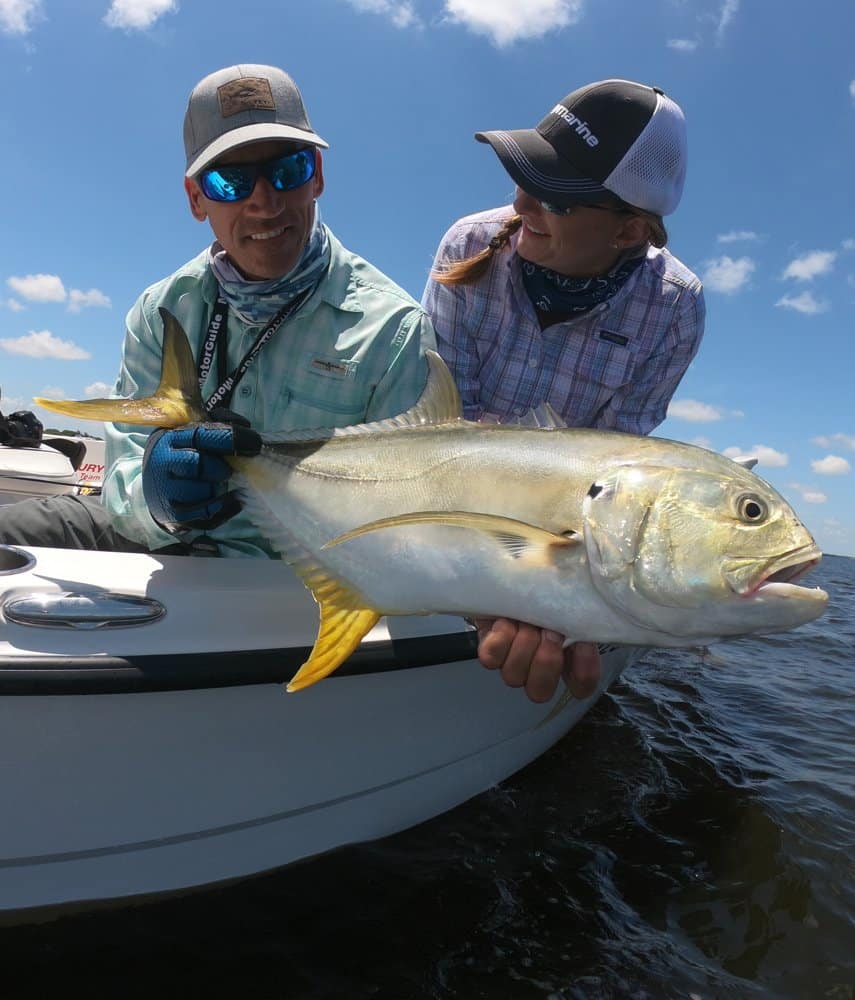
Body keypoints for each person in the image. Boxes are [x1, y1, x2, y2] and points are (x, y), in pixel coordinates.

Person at [0, 63, 591, 705]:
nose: (264, 201)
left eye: (286, 171)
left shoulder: (390, 328)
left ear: (318, 178)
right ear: (197, 198)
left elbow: (400, 518)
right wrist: (156, 497)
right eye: (231, 179)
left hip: (289, 577)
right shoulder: (161, 309)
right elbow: (121, 482)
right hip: (148, 541)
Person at [422, 78, 706, 705]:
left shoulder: (677, 309)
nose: (522, 204)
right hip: (450, 506)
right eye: (526, 178)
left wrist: (547, 591)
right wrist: (496, 581)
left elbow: (608, 469)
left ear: (629, 232)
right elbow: (445, 439)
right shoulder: (469, 244)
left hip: (560, 532)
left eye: (554, 196)